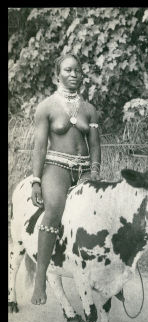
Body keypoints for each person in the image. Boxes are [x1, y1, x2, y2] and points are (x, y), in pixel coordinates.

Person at [31, 53, 101, 305]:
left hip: (83, 171)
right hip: (56, 167)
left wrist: (94, 172)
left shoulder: (90, 110)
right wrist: (36, 180)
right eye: (68, 70)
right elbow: (39, 147)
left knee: (97, 212)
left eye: (78, 71)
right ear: (57, 75)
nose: (74, 75)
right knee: (54, 211)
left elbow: (94, 145)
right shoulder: (46, 107)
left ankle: (98, 272)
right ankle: (40, 280)